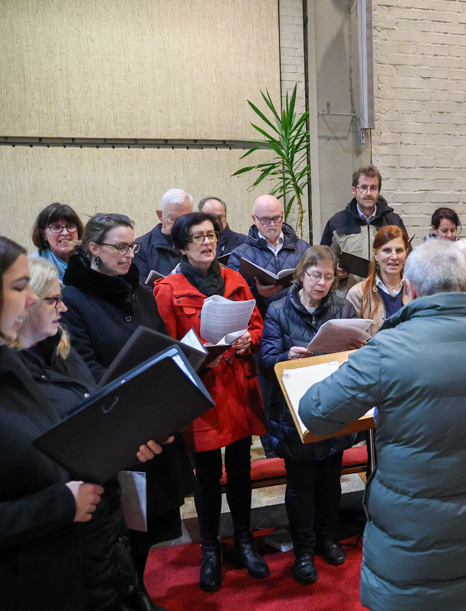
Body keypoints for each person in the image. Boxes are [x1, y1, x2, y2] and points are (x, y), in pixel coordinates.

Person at [298, 240, 466, 610]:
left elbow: (314, 412)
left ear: (411, 290)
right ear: (465, 283)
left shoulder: (387, 348)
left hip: (408, 540)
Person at [0, 237, 159, 611]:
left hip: (87, 549)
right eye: (19, 288)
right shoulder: (18, 366)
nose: (29, 300)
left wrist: (127, 442)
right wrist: (58, 504)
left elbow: (68, 438)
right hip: (35, 575)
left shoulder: (26, 364)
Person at [60, 213, 191, 606]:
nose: (129, 254)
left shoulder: (140, 292)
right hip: (116, 425)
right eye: (119, 246)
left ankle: (138, 588)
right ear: (93, 249)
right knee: (122, 524)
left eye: (132, 246)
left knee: (148, 521)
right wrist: (138, 401)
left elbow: (163, 345)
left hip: (151, 422)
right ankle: (128, 594)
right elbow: (84, 366)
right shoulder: (73, 299)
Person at [153, 212, 269, 592]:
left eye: (212, 235)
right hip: (202, 393)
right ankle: (209, 548)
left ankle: (245, 540)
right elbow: (167, 349)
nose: (208, 242)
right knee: (205, 476)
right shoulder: (168, 289)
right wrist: (200, 355)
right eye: (198, 237)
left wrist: (249, 339)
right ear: (181, 247)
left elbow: (256, 324)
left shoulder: (235, 279)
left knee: (240, 468)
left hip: (237, 388)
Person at [259, 246, 357, 585]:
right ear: (302, 275)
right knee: (301, 485)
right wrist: (287, 356)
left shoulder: (343, 308)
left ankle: (327, 539)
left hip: (332, 405)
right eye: (316, 275)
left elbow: (354, 356)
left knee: (330, 480)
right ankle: (303, 550)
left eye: (328, 277)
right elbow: (266, 361)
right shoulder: (278, 310)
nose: (322, 283)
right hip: (294, 410)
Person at [320, 166, 407, 292]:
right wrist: (335, 271)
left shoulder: (393, 222)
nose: (368, 193)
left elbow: (407, 260)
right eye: (364, 187)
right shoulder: (337, 223)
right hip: (348, 296)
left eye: (373, 188)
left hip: (387, 294)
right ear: (354, 190)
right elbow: (323, 262)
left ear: (379, 190)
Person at [227, 194, 310, 318]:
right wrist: (258, 294)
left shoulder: (303, 249)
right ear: (254, 219)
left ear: (282, 215)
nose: (272, 224)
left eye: (276, 218)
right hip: (262, 321)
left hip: (298, 319)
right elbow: (234, 300)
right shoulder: (239, 255)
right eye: (265, 220)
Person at [346, 225, 411, 335]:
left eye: (399, 250)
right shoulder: (357, 294)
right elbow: (351, 338)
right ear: (376, 254)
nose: (394, 256)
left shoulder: (418, 291)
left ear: (406, 254)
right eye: (387, 250)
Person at [134, 189, 194, 290]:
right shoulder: (141, 247)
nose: (178, 225)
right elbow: (139, 290)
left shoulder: (198, 242)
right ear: (160, 216)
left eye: (184, 219)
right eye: (173, 219)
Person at [29, 202, 84, 280]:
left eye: (70, 226)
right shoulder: (35, 267)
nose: (65, 233)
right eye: (56, 227)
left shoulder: (88, 257)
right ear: (43, 234)